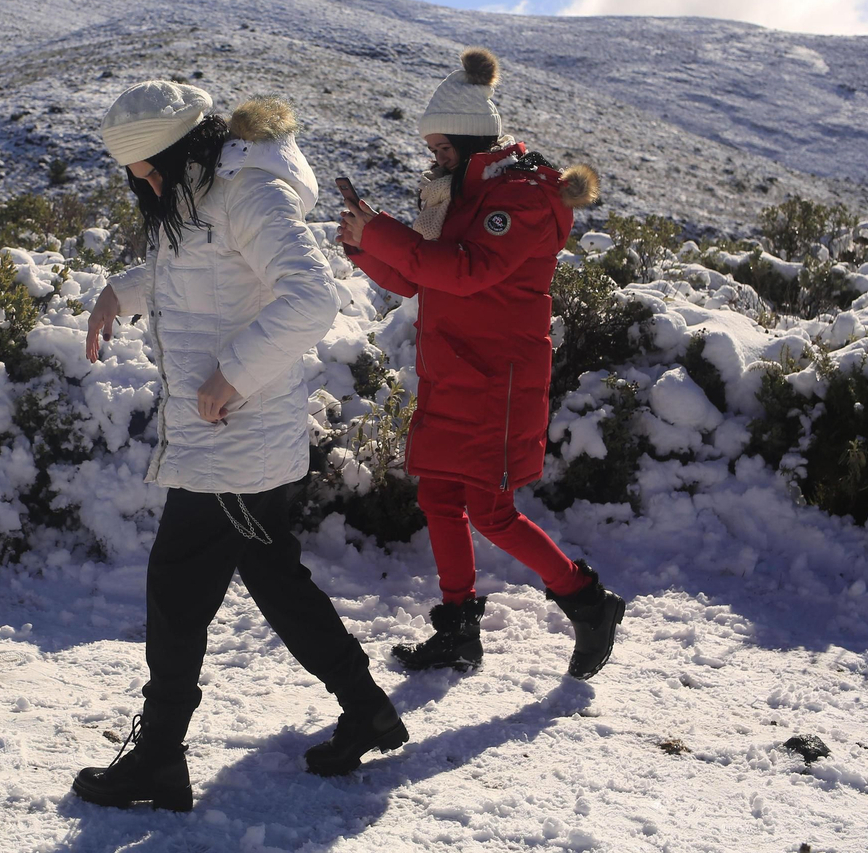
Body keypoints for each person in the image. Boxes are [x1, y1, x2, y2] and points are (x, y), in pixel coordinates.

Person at [72, 82, 407, 812]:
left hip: (235, 439)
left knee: (176, 587)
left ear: (183, 150)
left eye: (150, 170)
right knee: (271, 576)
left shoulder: (249, 194)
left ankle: (160, 758)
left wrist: (232, 375)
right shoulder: (195, 193)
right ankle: (366, 707)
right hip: (228, 438)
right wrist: (118, 294)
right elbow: (190, 274)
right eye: (137, 176)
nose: (144, 185)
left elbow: (312, 297)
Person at [338, 47, 626, 680]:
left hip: (499, 379)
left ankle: (587, 601)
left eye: (441, 149)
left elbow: (465, 273)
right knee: (440, 495)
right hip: (455, 371)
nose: (433, 160)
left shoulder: (522, 198)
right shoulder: (463, 191)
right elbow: (422, 279)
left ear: (470, 142)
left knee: (491, 511)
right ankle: (458, 629)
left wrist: (384, 234)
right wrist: (365, 247)